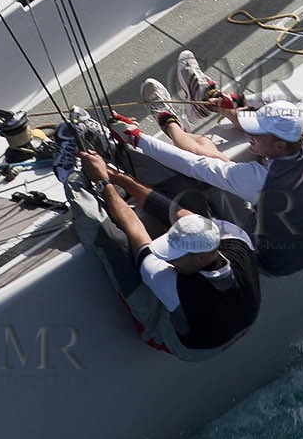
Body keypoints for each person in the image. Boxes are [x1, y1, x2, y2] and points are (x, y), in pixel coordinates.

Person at [128, 72, 303, 277]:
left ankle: (168, 119)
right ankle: (216, 102)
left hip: (272, 258)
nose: (251, 133)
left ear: (279, 146)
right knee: (220, 154)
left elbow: (193, 165)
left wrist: (138, 139)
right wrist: (239, 100)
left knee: (204, 150)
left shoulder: (261, 181)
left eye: (257, 133)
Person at [64, 143, 261, 360]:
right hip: (241, 318)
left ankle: (71, 176)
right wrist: (119, 178)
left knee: (114, 245)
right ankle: (118, 152)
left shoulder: (173, 285)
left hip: (194, 348)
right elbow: (179, 214)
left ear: (203, 256)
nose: (169, 260)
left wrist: (103, 183)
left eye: (175, 255)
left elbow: (133, 229)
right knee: (188, 196)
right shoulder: (235, 239)